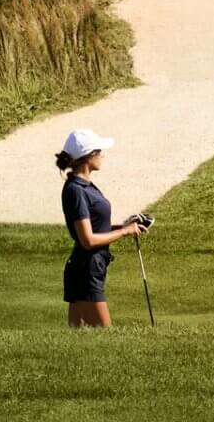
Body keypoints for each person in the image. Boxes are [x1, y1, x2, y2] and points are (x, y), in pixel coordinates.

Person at [54, 128, 141, 328]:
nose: (102, 156)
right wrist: (124, 232)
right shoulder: (76, 190)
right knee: (105, 336)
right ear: (89, 156)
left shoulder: (85, 186)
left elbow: (95, 227)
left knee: (82, 339)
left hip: (89, 266)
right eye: (99, 152)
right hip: (86, 269)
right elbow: (88, 240)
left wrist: (125, 226)